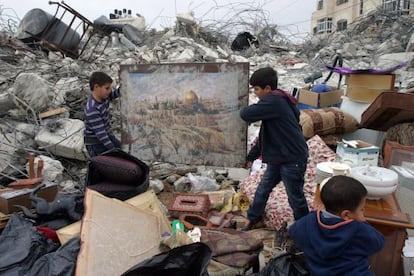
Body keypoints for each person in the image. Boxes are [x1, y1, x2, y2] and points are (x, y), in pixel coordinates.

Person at [239, 67, 309, 230]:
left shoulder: (274, 101)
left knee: (295, 198)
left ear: (268, 89)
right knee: (263, 189)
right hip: (279, 157)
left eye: (257, 89)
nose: (255, 93)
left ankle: (306, 229)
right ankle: (253, 218)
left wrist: (239, 105)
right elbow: (264, 136)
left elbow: (246, 114)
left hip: (292, 159)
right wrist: (251, 157)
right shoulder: (278, 101)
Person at [288, 175, 385, 275]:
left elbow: (293, 231)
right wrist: (362, 222)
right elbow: (378, 243)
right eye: (361, 209)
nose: (363, 213)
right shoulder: (358, 230)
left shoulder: (309, 221)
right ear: (346, 214)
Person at [84, 71, 122, 158]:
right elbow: (101, 134)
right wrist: (113, 149)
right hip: (96, 144)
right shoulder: (93, 109)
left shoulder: (103, 97)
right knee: (111, 164)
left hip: (107, 136)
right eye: (107, 88)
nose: (109, 91)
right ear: (96, 87)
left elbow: (113, 94)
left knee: (124, 152)